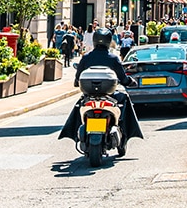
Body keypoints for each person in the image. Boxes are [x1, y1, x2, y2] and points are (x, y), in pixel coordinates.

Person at [58, 28, 143, 156]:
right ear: (109, 41)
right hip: (109, 95)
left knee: (78, 106)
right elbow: (123, 78)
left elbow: (77, 77)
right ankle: (125, 135)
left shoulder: (86, 57)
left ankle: (73, 132)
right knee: (124, 99)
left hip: (89, 95)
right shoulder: (113, 58)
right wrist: (130, 82)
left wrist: (77, 82)